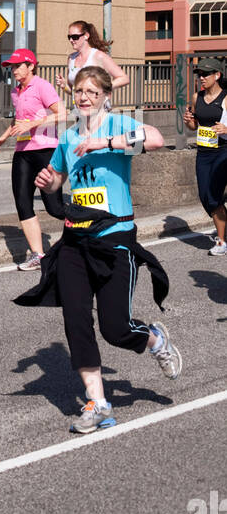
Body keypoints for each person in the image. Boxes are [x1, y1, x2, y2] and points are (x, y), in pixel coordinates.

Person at [15, 66, 182, 435]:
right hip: (75, 240)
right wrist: (49, 182)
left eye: (92, 91)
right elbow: (58, 177)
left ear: (107, 95)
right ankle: (99, 403)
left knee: (116, 328)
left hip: (115, 239)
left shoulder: (118, 125)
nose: (85, 97)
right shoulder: (68, 135)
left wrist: (104, 144)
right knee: (76, 320)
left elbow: (155, 138)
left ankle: (155, 339)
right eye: (79, 92)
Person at [0, 49, 66, 269]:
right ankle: (38, 255)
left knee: (54, 208)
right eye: (11, 67)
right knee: (23, 202)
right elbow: (19, 120)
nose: (13, 70)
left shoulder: (42, 86)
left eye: (17, 66)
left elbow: (62, 114)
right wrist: (4, 137)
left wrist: (32, 125)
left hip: (46, 150)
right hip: (23, 151)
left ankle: (89, 225)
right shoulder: (16, 92)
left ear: (31, 65)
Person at [182, 57, 227, 256]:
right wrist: (188, 121)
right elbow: (195, 126)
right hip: (203, 152)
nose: (201, 78)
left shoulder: (226, 98)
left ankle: (222, 241)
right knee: (204, 197)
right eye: (199, 74)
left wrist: (226, 128)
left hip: (223, 151)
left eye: (206, 74)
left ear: (217, 75)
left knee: (213, 195)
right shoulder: (196, 97)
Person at [56, 20, 129, 99]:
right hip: (79, 109)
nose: (71, 40)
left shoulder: (98, 56)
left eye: (75, 37)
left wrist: (102, 89)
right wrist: (64, 86)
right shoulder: (71, 59)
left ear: (86, 36)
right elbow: (73, 92)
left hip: (98, 109)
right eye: (69, 37)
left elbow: (124, 78)